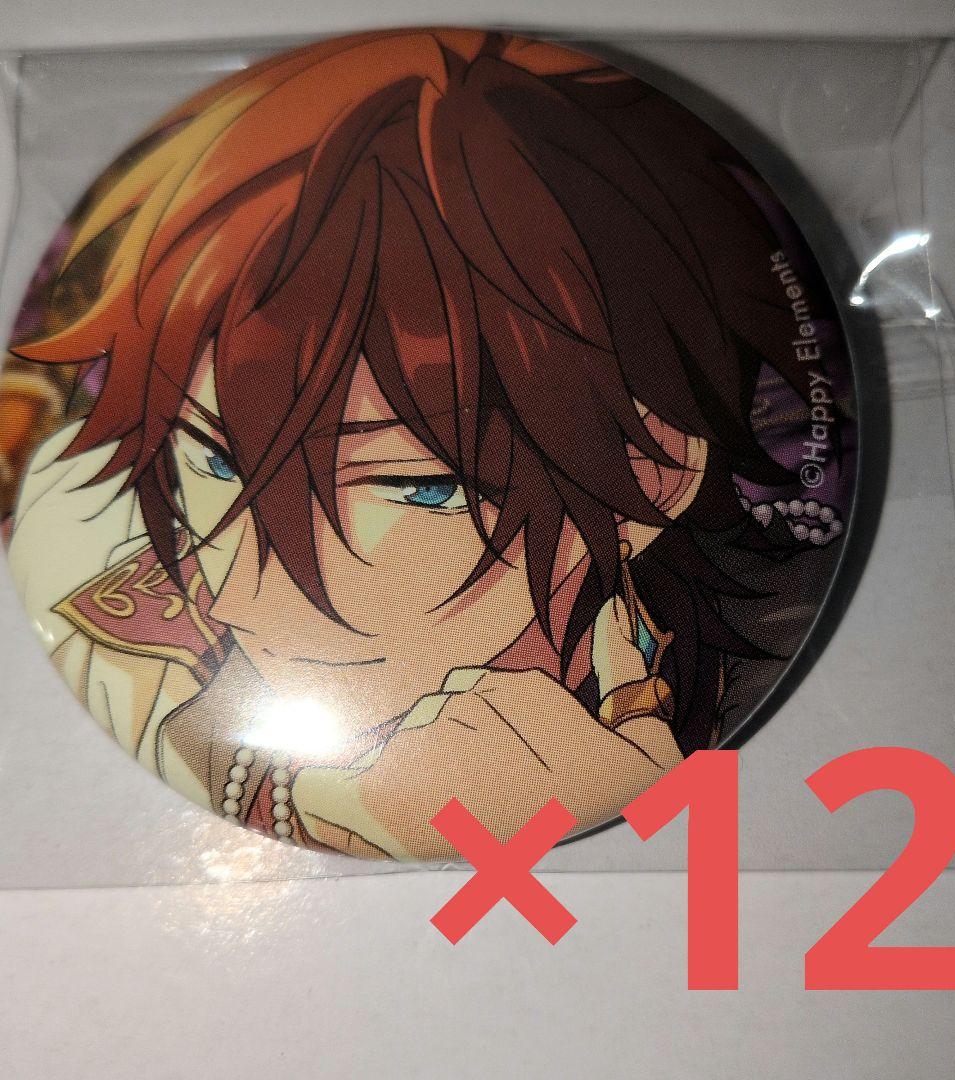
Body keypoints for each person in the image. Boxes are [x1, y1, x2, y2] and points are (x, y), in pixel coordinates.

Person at [5, 29, 845, 859]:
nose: (241, 598)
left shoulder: (775, 656)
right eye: (217, 459)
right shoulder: (113, 635)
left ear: (653, 472)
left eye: (416, 487)